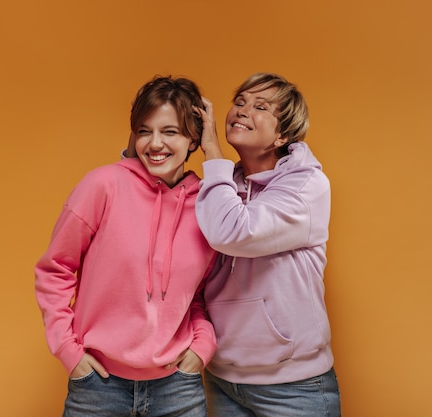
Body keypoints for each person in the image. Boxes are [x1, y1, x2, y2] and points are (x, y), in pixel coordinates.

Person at [35, 75, 218, 417]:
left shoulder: (208, 205)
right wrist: (68, 352)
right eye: (145, 130)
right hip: (98, 388)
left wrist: (203, 346)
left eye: (171, 131)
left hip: (177, 388)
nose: (155, 143)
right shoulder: (103, 185)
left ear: (193, 139)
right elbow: (55, 269)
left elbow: (198, 296)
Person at [194, 72, 342, 417]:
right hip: (222, 378)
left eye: (260, 107)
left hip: (295, 388)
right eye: (240, 102)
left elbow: (234, 233)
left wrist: (211, 149)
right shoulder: (223, 184)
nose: (242, 111)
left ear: (283, 135)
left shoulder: (306, 185)